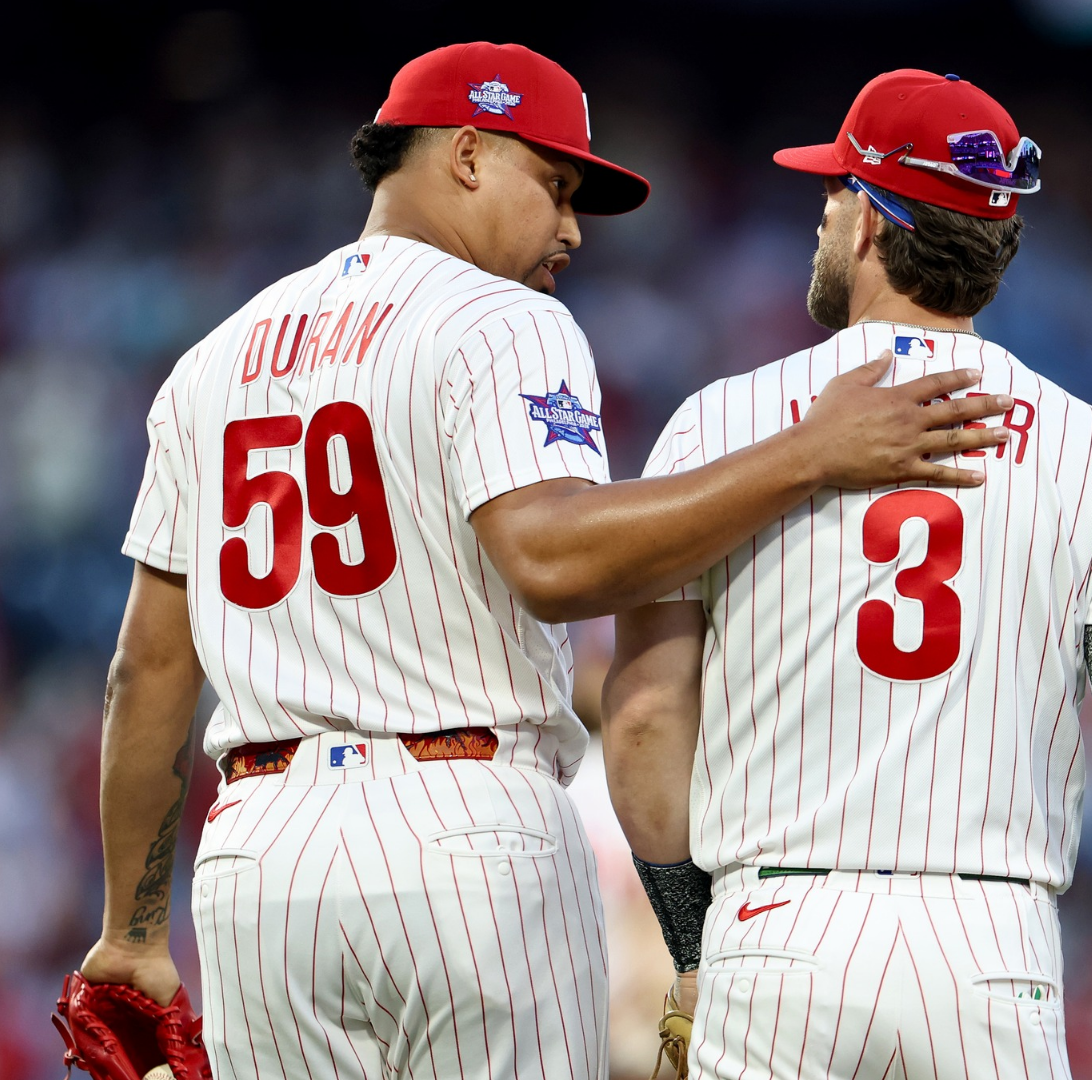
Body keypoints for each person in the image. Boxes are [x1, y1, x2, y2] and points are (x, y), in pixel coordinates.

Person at [74, 43, 1016, 1080]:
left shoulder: (212, 362)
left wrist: (132, 933)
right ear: (468, 153)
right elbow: (552, 559)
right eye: (556, 186)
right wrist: (809, 452)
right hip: (463, 830)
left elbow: (150, 671)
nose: (570, 228)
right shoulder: (500, 318)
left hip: (260, 853)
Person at [604, 69, 1092, 1080]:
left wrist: (692, 948)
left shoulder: (718, 426)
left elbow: (645, 719)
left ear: (875, 226)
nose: (822, 213)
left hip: (773, 933)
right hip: (990, 949)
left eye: (836, 191)